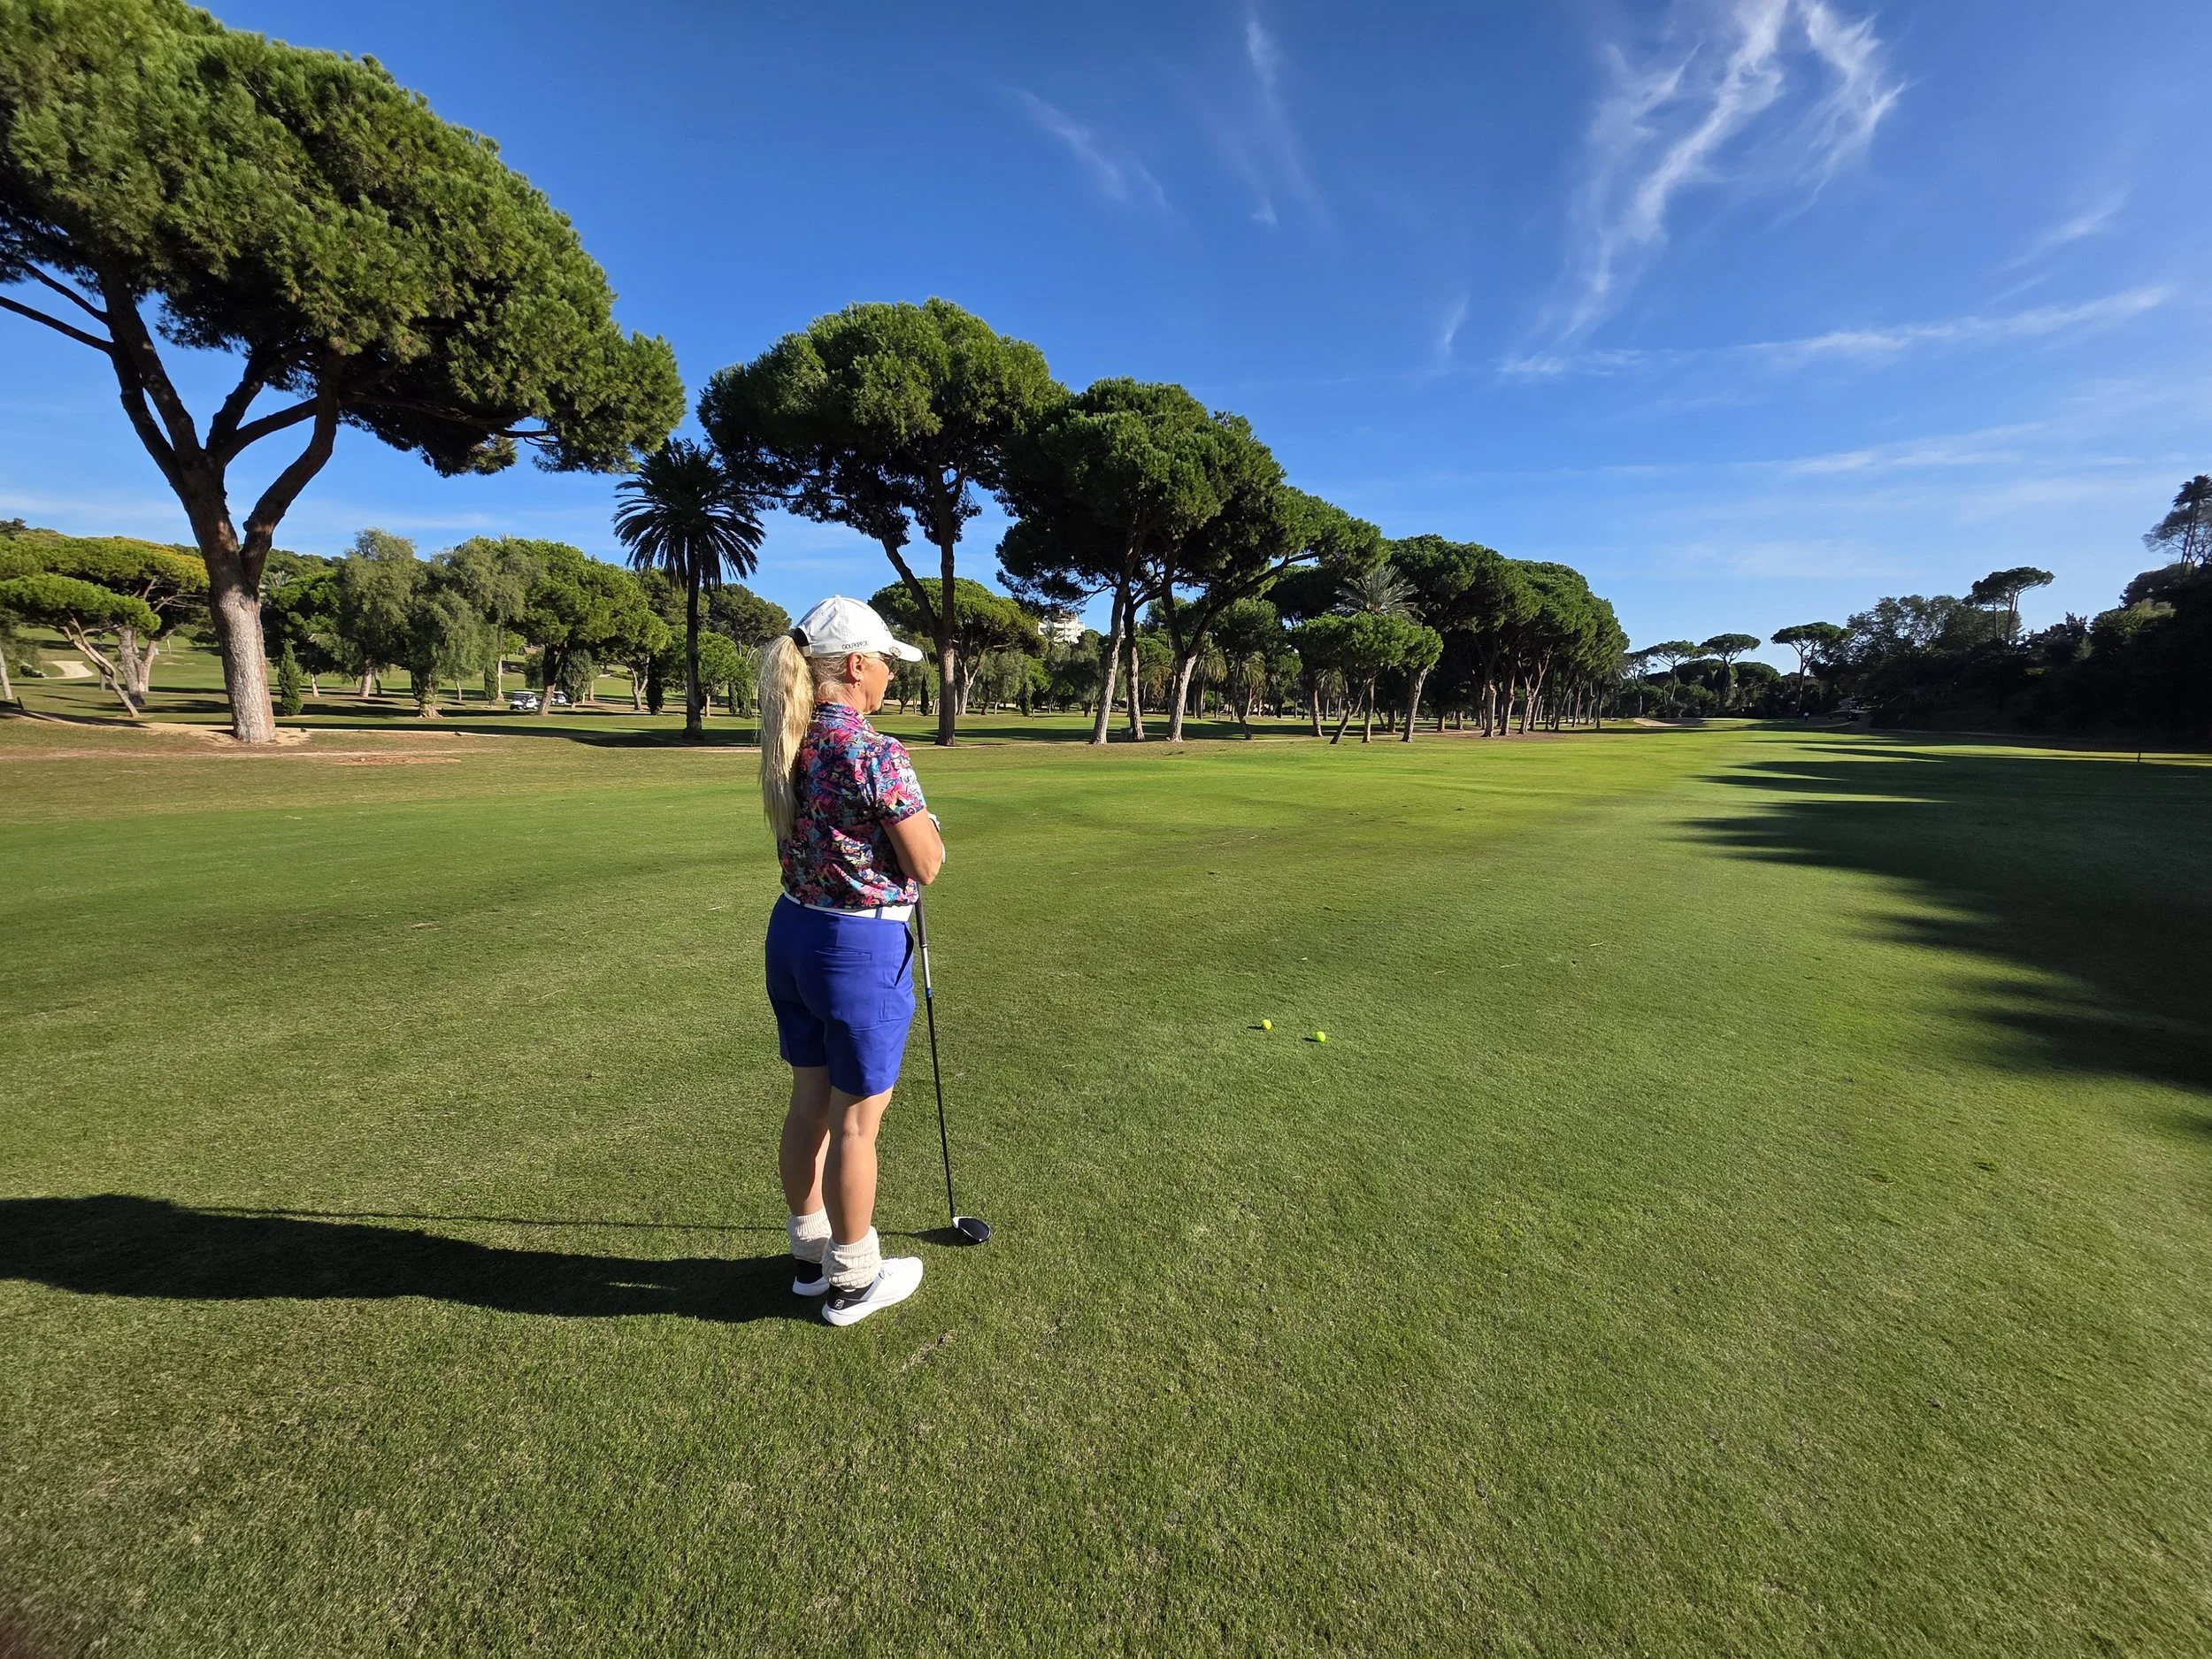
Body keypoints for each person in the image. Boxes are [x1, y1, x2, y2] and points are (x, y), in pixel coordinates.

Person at [756, 596, 945, 1326]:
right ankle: (853, 1279)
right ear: (858, 664)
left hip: (794, 935)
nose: (892, 677)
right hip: (857, 950)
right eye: (888, 663)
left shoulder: (792, 739)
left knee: (810, 1102)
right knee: (857, 1123)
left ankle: (811, 1259)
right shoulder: (874, 750)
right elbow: (924, 861)